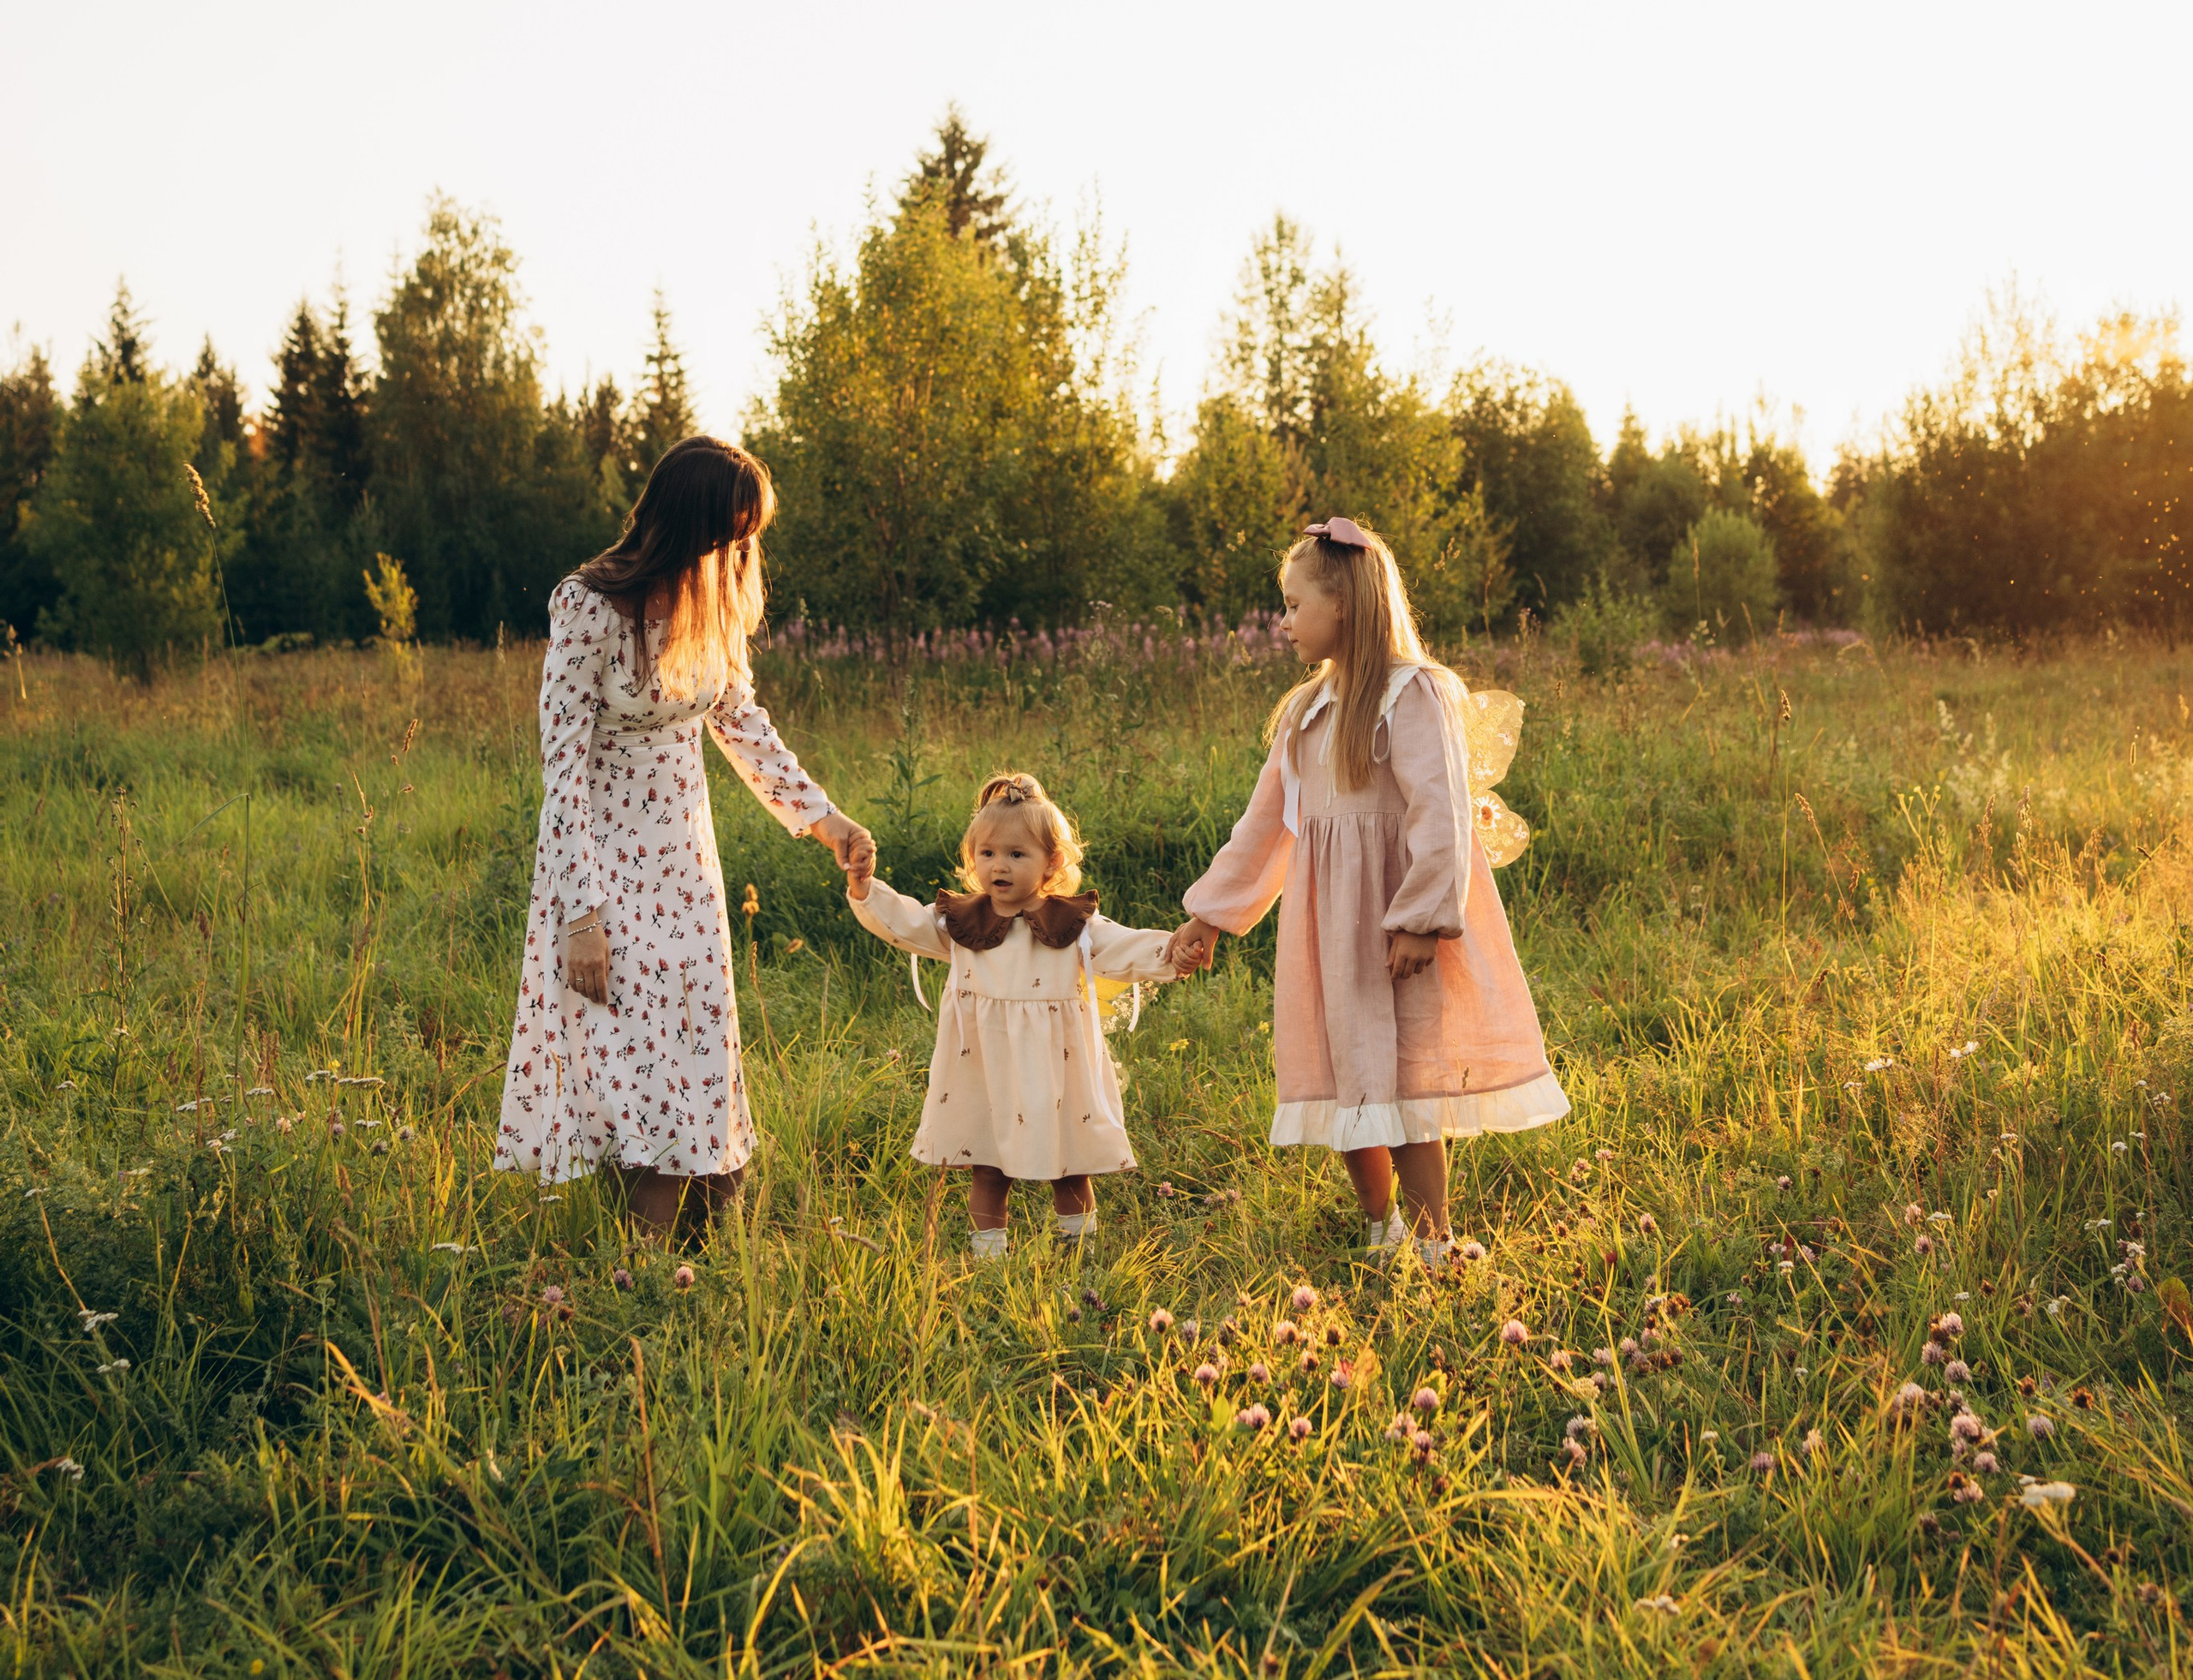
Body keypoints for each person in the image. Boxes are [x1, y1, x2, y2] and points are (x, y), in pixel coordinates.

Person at [493, 436, 873, 1238]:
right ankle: (643, 1266)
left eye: (749, 536)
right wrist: (581, 916)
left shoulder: (712, 600)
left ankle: (714, 1253)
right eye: (730, 533)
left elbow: (739, 721)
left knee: (697, 1041)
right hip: (599, 861)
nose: (741, 552)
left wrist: (825, 819)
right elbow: (561, 768)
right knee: (631, 1053)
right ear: (685, 521)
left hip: (682, 860)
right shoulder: (587, 605)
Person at [1169, 515, 1568, 1268]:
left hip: (1396, 923)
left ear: (1343, 603)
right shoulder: (1304, 712)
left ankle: (1431, 1237)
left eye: (1293, 604)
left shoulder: (1413, 695)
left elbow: (1441, 808)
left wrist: (1422, 917)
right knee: (1347, 1072)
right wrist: (1210, 916)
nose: (1282, 622)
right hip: (1329, 927)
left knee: (1412, 1077)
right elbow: (1264, 828)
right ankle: (1380, 1224)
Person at [845, 770, 1178, 1257]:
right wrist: (865, 888)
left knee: (1067, 1157)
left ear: (1052, 862)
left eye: (1017, 854)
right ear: (973, 857)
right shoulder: (963, 921)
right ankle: (989, 1254)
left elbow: (1126, 945)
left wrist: (1176, 950)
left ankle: (1078, 1246)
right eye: (988, 853)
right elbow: (907, 923)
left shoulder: (1072, 922)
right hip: (983, 1064)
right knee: (987, 1160)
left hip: (1053, 1066)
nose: (999, 866)